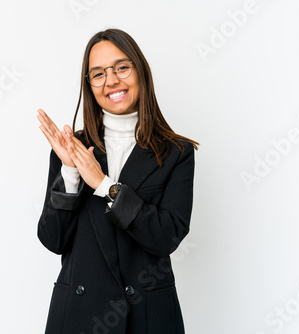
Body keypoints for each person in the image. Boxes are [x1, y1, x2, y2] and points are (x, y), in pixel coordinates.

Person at [36, 28, 199, 334]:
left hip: (147, 318)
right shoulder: (73, 148)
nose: (111, 81)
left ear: (141, 72)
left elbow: (167, 237)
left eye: (122, 67)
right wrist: (70, 172)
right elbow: (53, 240)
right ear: (90, 85)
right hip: (79, 316)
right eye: (98, 74)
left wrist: (104, 186)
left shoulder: (177, 153)